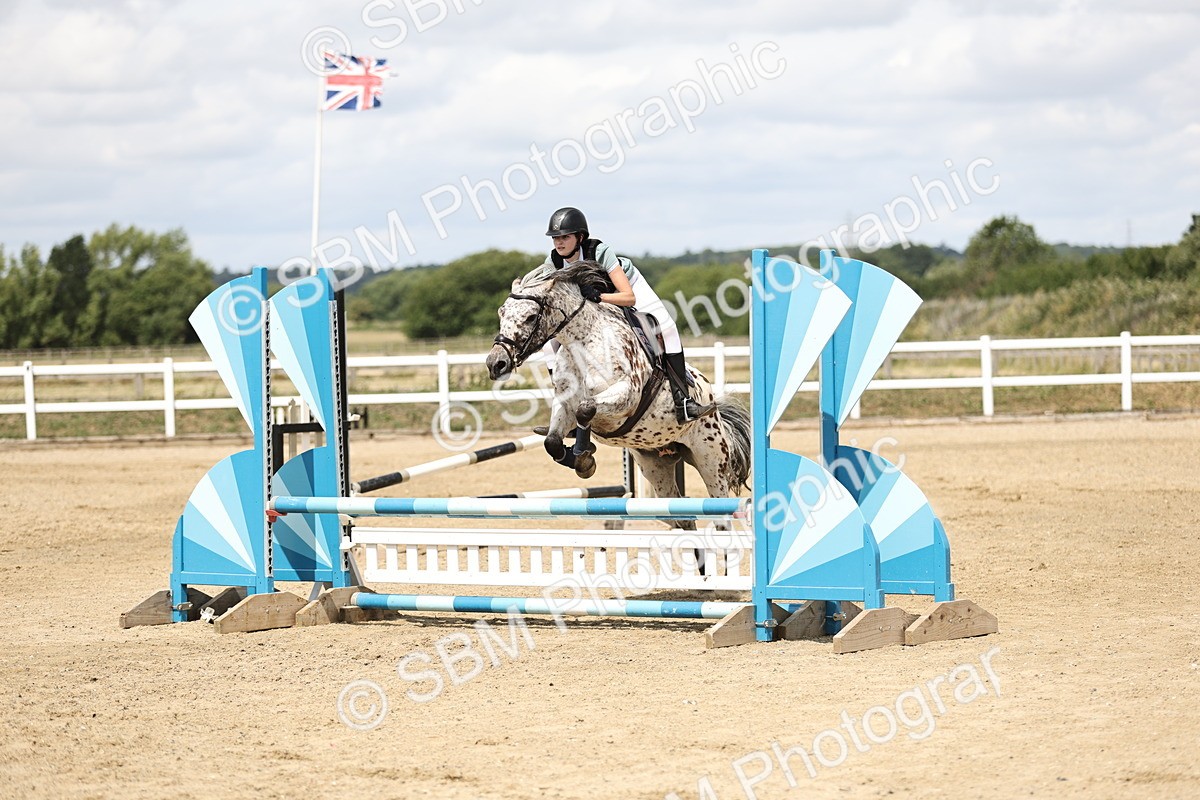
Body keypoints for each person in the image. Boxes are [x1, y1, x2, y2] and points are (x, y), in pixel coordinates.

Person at [537, 206, 713, 424]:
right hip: (591, 305)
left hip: (627, 288)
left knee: (666, 327)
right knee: (548, 344)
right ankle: (565, 407)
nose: (559, 242)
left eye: (565, 237)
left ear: (580, 237)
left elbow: (628, 297)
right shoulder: (552, 264)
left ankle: (683, 401)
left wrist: (599, 297)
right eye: (555, 238)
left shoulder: (599, 252)